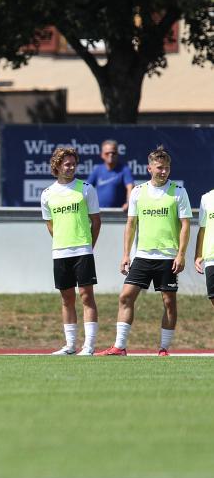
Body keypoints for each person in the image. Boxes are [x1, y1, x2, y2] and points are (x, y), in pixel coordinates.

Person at [99, 146, 191, 356]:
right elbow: (131, 224)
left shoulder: (178, 192)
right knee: (125, 297)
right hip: (142, 256)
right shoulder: (138, 192)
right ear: (149, 168)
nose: (164, 171)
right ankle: (119, 346)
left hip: (168, 257)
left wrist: (181, 254)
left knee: (169, 301)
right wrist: (125, 254)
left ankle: (164, 348)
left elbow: (185, 225)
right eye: (159, 167)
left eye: (167, 168)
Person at [40, 147, 101, 356]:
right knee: (66, 298)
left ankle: (89, 346)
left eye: (73, 163)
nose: (71, 167)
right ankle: (70, 345)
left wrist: (88, 246)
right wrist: (61, 241)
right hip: (60, 252)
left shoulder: (86, 189)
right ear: (56, 165)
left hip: (83, 249)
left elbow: (96, 221)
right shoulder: (47, 194)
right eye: (67, 164)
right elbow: (50, 224)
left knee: (86, 296)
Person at [86, 139, 134, 210]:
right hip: (100, 213)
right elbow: (86, 188)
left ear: (117, 154)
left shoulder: (124, 170)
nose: (110, 155)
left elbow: (130, 187)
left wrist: (128, 203)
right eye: (107, 153)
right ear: (102, 155)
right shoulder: (97, 170)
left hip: (119, 214)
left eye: (113, 153)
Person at [195, 187, 214, 309]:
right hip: (211, 258)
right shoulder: (206, 198)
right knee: (212, 297)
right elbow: (202, 229)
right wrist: (198, 254)